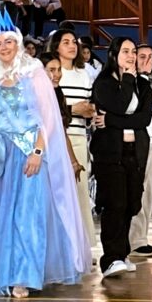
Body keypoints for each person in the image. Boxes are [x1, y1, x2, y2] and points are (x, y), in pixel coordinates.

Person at [0, 8, 89, 298]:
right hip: (0, 155)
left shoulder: (33, 73)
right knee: (2, 216)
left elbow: (48, 118)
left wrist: (37, 151)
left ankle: (24, 274)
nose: (4, 48)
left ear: (17, 43)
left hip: (29, 151)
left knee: (27, 215)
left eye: (8, 42)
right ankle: (5, 273)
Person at [90, 37, 152, 278]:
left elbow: (144, 118)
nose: (130, 56)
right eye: (125, 51)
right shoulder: (104, 83)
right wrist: (127, 78)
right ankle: (110, 258)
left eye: (133, 51)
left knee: (130, 203)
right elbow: (119, 103)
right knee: (114, 203)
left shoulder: (143, 85)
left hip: (134, 152)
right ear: (113, 55)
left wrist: (111, 121)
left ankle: (122, 253)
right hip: (110, 152)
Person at [48, 28, 97, 251]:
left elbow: (88, 105)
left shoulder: (84, 74)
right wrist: (72, 109)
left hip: (78, 135)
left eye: (74, 42)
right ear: (55, 45)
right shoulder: (49, 73)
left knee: (80, 193)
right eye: (65, 41)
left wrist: (89, 111)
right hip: (54, 137)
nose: (72, 45)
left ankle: (85, 245)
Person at [128, 44, 152, 258]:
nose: (147, 60)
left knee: (149, 192)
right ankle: (133, 239)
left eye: (150, 56)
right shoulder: (131, 82)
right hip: (137, 141)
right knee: (137, 190)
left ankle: (142, 237)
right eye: (141, 56)